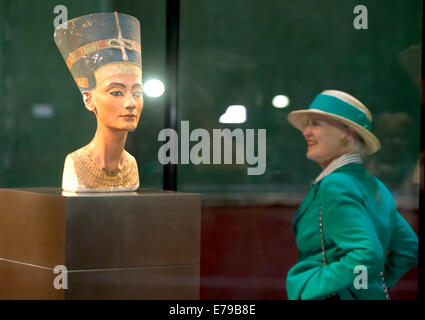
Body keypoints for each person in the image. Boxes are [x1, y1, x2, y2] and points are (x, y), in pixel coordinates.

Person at [285, 90, 418, 300]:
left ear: (347, 133)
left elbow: (365, 254)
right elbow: (409, 248)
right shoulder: (376, 185)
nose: (306, 132)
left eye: (316, 124)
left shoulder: (335, 184)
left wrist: (309, 288)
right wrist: (370, 287)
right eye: (306, 125)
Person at [54, 12, 143, 192]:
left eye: (137, 92)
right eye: (117, 92)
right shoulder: (75, 163)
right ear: (89, 99)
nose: (131, 103)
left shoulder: (132, 164)